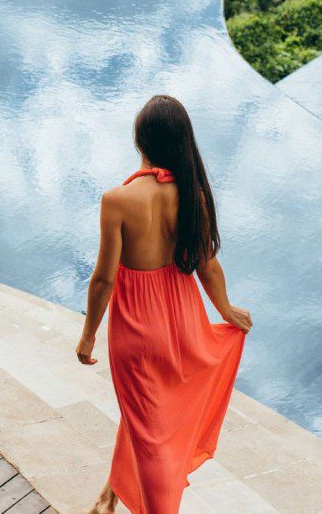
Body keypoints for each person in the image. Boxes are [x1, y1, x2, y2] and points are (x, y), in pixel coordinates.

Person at [76, 94, 252, 514]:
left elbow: (104, 279)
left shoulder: (118, 200)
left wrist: (87, 336)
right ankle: (108, 497)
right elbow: (207, 265)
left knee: (148, 429)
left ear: (140, 141)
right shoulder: (191, 196)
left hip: (137, 328)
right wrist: (226, 311)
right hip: (182, 320)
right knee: (146, 417)